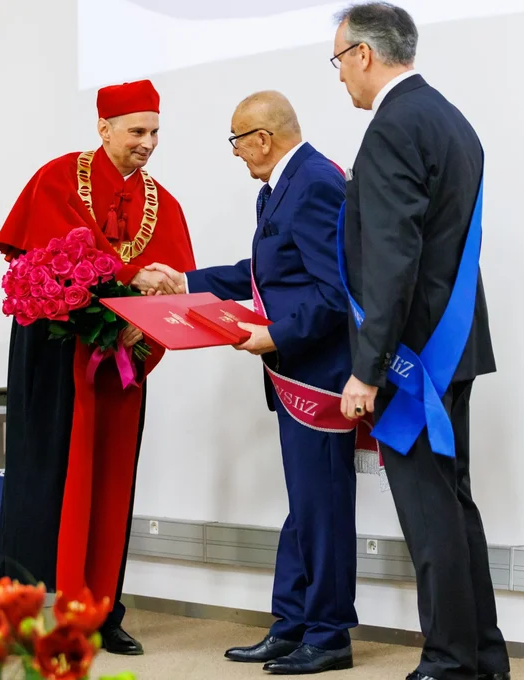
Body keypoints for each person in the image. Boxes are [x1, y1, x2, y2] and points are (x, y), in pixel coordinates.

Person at [147, 92, 357, 674]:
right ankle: (292, 624)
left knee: (326, 506)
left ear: (262, 137)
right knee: (306, 505)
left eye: (237, 140)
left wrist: (276, 337)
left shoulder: (314, 182)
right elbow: (268, 272)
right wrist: (186, 280)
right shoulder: (280, 188)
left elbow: (335, 294)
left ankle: (330, 633)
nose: (236, 153)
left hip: (318, 375)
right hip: (296, 373)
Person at [332, 2, 512, 680]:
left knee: (430, 510)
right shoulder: (448, 119)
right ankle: (482, 656)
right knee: (454, 504)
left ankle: (448, 661)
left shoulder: (392, 128)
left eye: (337, 61)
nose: (340, 77)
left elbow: (391, 260)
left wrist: (367, 369)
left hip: (413, 360)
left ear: (363, 55)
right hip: (452, 344)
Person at [0, 79, 195, 656]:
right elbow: (41, 260)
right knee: (45, 476)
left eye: (155, 132)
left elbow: (176, 285)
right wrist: (127, 280)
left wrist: (144, 321)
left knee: (111, 481)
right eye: (137, 131)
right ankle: (28, 608)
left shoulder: (165, 204)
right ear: (104, 128)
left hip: (119, 362)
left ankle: (101, 609)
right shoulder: (57, 178)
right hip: (54, 358)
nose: (148, 143)